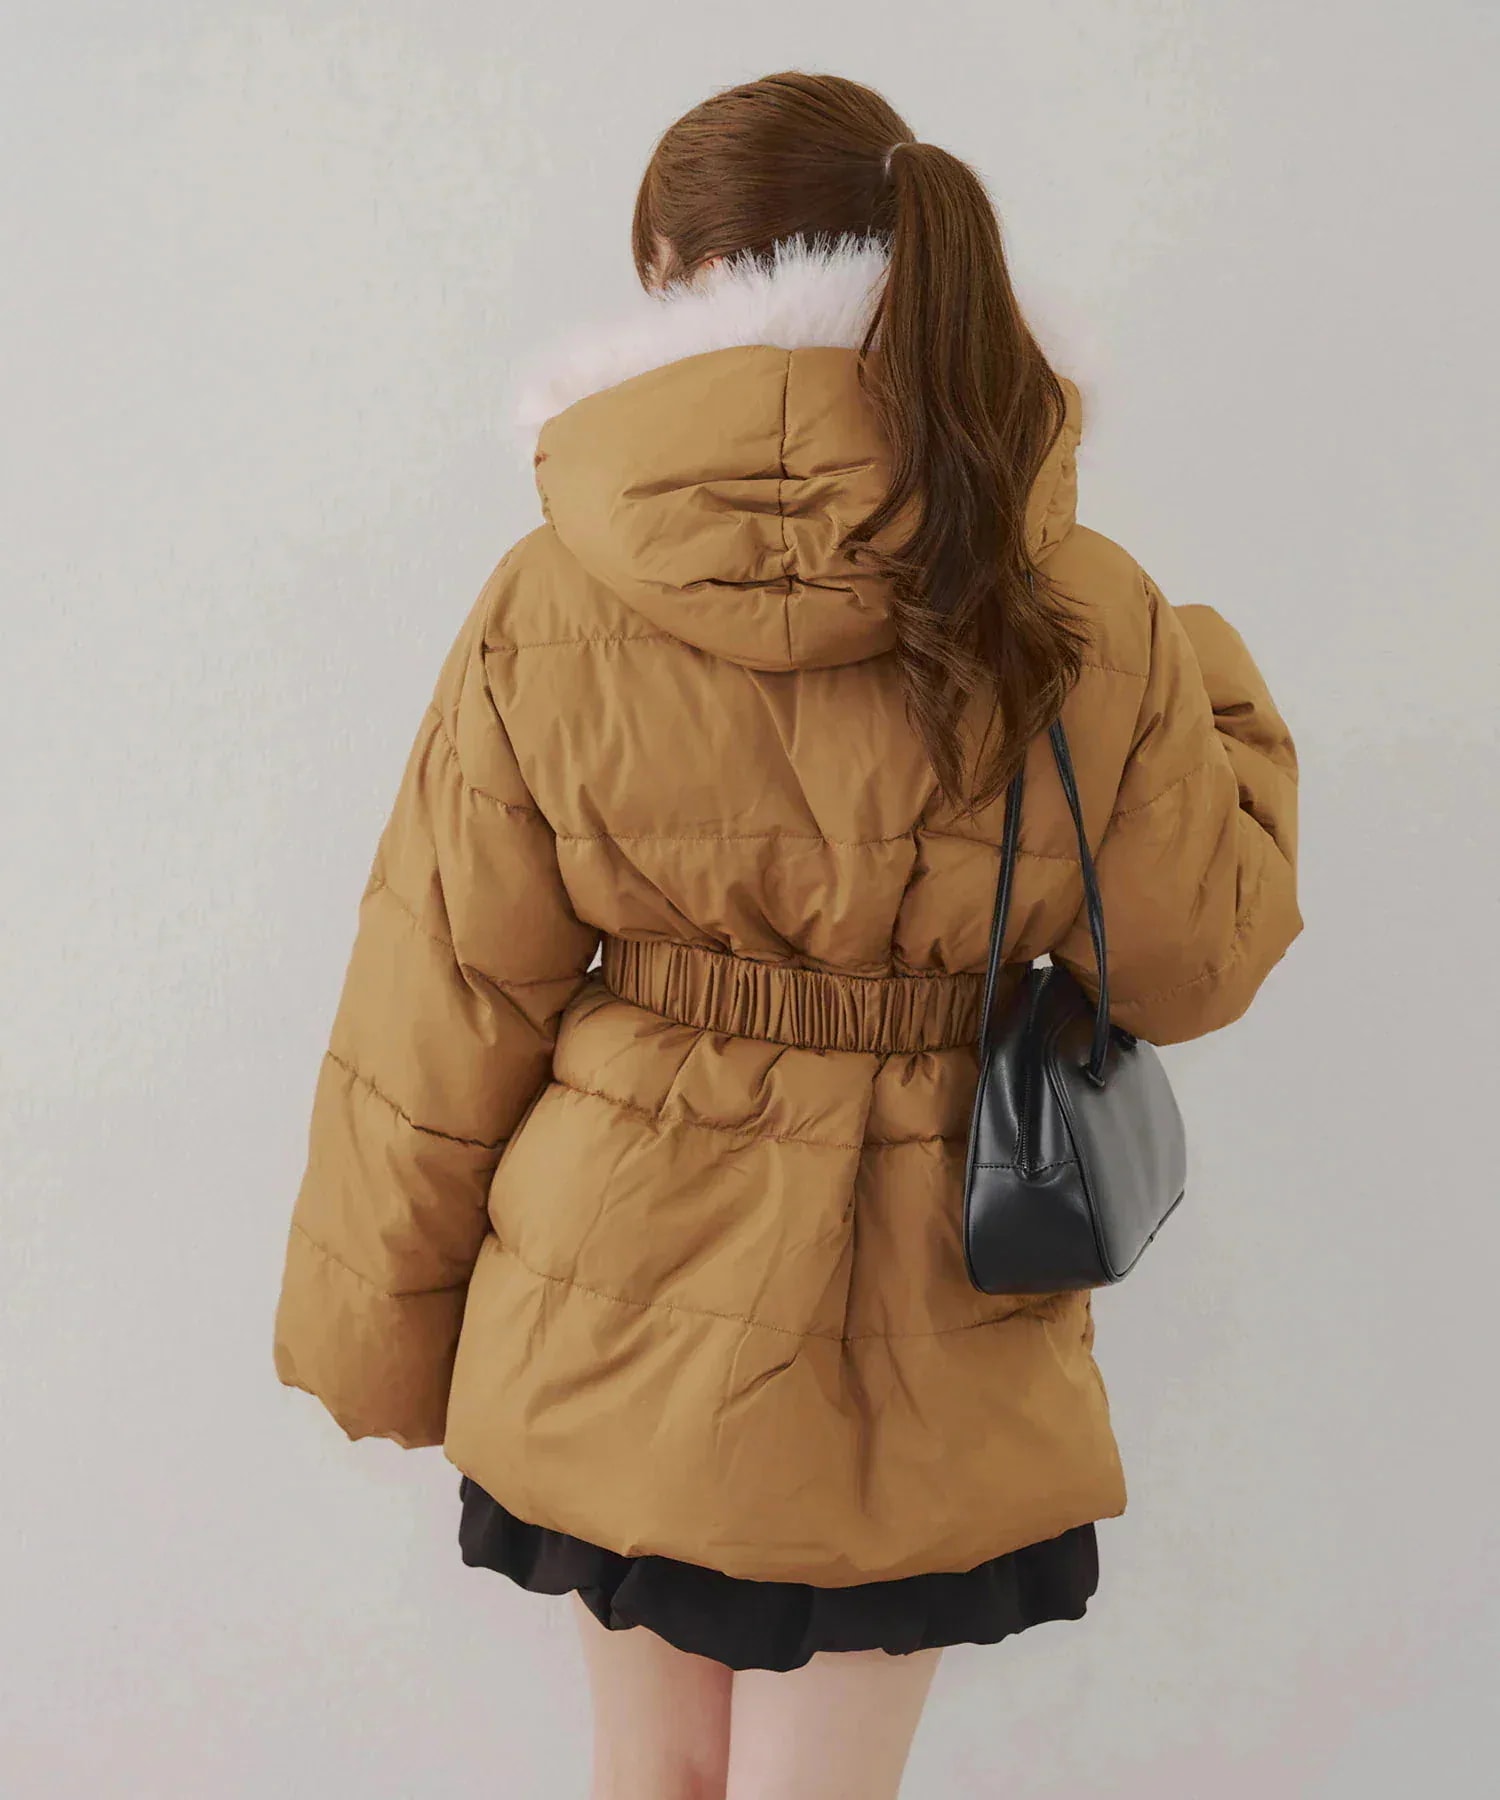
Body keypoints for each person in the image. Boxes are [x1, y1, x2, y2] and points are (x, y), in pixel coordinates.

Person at [272, 69, 1301, 1800]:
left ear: (685, 280)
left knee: (649, 1781)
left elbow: (440, 1001)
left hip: (609, 1287)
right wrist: (1216, 698)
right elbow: (1196, 962)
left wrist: (374, 1331)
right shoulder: (1088, 607)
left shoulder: (554, 593)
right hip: (922, 1317)